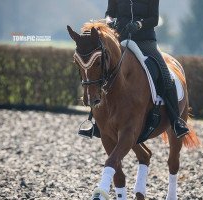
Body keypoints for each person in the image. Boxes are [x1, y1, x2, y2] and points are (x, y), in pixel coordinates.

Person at [79, 0, 189, 139]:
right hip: (119, 38)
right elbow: (109, 13)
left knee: (165, 75)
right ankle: (95, 123)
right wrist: (109, 21)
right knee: (102, 73)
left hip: (145, 40)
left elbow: (154, 19)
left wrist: (139, 24)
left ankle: (175, 120)